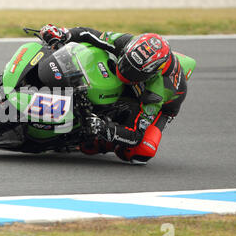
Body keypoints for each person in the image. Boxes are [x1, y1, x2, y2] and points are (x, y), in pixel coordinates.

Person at [39, 24, 189, 164]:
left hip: (162, 105)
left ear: (150, 74)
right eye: (125, 63)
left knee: (141, 152)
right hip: (136, 75)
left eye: (134, 72)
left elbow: (136, 135)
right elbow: (90, 34)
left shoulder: (157, 92)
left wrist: (104, 128)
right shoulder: (126, 42)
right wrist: (64, 34)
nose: (125, 71)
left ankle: (100, 144)